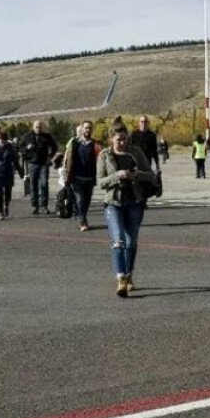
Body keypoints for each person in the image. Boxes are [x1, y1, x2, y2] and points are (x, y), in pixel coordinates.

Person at [97, 123, 156, 297]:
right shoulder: (104, 155)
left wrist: (135, 175)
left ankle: (129, 274)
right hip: (113, 203)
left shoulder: (136, 152)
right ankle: (121, 278)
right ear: (111, 139)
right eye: (118, 139)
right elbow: (100, 182)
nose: (122, 143)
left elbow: (150, 175)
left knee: (131, 242)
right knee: (118, 241)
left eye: (125, 139)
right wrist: (117, 176)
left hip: (135, 202)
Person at [64, 120, 102, 231]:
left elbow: (101, 160)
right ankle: (83, 222)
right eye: (86, 128)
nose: (88, 130)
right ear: (82, 129)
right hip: (76, 177)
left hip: (90, 178)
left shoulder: (96, 144)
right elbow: (67, 158)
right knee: (80, 200)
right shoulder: (75, 143)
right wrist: (66, 174)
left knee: (86, 201)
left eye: (90, 128)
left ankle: (82, 216)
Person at [20, 120, 59, 214]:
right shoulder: (28, 136)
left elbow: (54, 147)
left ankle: (44, 206)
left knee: (44, 184)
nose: (38, 129)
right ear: (33, 127)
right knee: (33, 185)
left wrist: (50, 157)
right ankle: (35, 206)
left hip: (43, 163)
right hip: (32, 163)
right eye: (36, 127)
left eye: (40, 127)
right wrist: (27, 148)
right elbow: (20, 148)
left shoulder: (46, 136)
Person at [0, 131, 25, 220]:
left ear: (7, 140)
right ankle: (0, 212)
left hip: (8, 172)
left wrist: (21, 173)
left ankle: (6, 205)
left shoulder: (10, 148)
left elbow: (16, 161)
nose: (2, 142)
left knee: (8, 193)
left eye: (4, 140)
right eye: (1, 140)